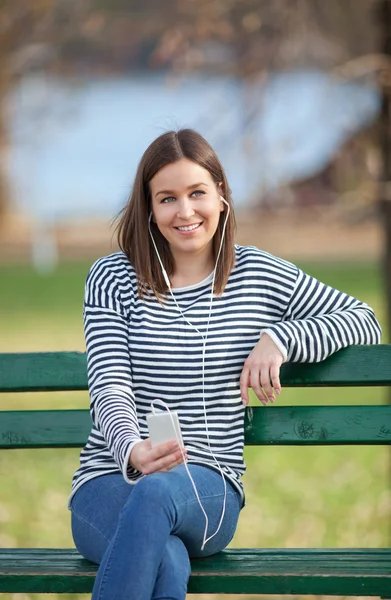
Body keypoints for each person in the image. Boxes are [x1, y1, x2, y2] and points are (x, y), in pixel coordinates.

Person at [69, 129, 382, 600]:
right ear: (150, 209)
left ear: (222, 196)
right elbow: (109, 382)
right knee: (166, 558)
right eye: (167, 198)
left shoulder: (257, 273)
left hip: (208, 487)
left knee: (158, 496)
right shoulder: (112, 277)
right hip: (109, 482)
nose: (186, 211)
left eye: (197, 193)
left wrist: (282, 337)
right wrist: (132, 449)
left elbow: (364, 320)